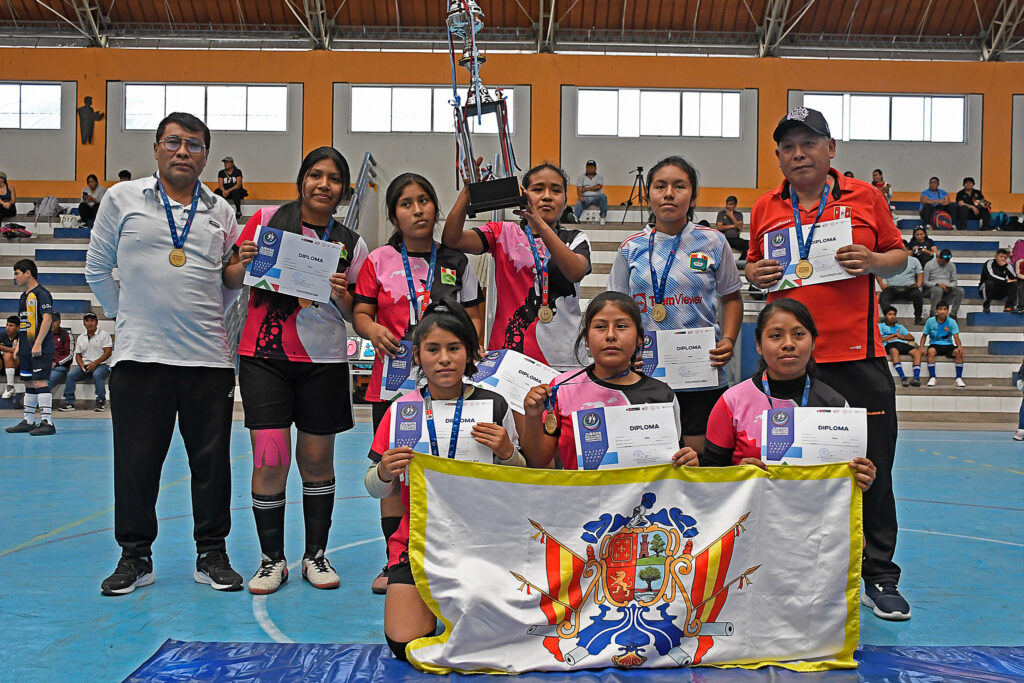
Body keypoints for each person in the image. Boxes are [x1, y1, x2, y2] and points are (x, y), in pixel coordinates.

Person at [745, 107, 910, 621]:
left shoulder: (866, 198)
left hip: (859, 358)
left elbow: (899, 256)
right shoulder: (765, 207)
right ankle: (784, 569)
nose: (799, 153)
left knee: (873, 472)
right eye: (789, 146)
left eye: (809, 143)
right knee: (785, 468)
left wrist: (874, 262)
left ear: (830, 148)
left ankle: (879, 576)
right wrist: (757, 271)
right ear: (778, 157)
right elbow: (754, 269)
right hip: (790, 367)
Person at [86, 112, 247, 596]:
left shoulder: (221, 211)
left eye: (194, 145)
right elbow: (97, 270)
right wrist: (130, 318)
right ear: (156, 148)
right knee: (136, 463)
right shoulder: (122, 199)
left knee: (212, 465)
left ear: (206, 156)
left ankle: (211, 553)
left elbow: (229, 285)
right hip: (139, 360)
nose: (183, 151)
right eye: (174, 142)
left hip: (208, 362)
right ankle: (135, 557)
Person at [233, 147, 368, 595]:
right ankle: (272, 560)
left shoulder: (352, 241)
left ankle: (315, 555)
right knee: (270, 458)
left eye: (333, 178)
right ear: (302, 179)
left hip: (323, 361)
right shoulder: (268, 219)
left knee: (316, 461)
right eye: (315, 175)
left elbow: (354, 313)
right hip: (265, 356)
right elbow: (232, 276)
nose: (323, 184)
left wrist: (341, 292)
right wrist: (243, 260)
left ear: (344, 190)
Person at [363, 299, 524, 662]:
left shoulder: (494, 405)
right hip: (420, 538)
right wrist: (385, 471)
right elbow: (373, 486)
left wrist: (508, 453)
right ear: (417, 356)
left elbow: (521, 476)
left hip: (485, 538)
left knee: (498, 642)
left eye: (454, 348)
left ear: (469, 353)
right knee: (404, 645)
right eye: (433, 349)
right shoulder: (402, 408)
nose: (445, 358)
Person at [354, 172, 484, 595]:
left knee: (452, 456)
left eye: (425, 200)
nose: (418, 209)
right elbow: (361, 312)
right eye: (407, 203)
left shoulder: (456, 261)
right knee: (395, 469)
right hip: (394, 384)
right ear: (395, 213)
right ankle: (395, 560)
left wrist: (469, 348)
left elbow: (475, 316)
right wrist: (372, 330)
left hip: (447, 377)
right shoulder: (378, 260)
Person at [608, 156, 742, 455]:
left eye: (679, 186)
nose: (669, 193)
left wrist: (729, 340)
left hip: (702, 375)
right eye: (660, 186)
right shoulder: (631, 247)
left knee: (698, 464)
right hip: (644, 373)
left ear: (693, 196)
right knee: (649, 458)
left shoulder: (714, 242)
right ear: (648, 194)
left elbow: (731, 297)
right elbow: (616, 308)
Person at [701, 299, 877, 489]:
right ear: (759, 344)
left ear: (813, 342)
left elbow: (846, 480)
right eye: (776, 335)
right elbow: (709, 472)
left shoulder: (835, 405)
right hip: (749, 516)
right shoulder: (732, 401)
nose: (788, 344)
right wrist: (736, 475)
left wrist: (862, 478)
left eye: (799, 334)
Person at [520, 291, 700, 470]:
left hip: (643, 499)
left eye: (621, 326)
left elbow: (675, 462)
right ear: (586, 339)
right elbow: (538, 462)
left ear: (639, 338)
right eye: (600, 327)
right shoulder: (561, 388)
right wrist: (533, 418)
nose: (611, 335)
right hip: (578, 497)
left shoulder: (663, 394)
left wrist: (687, 462)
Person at [443, 162, 591, 371]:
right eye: (538, 189)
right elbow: (452, 239)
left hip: (564, 359)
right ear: (523, 194)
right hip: (509, 356)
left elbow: (575, 272)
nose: (547, 196)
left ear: (565, 199)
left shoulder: (575, 238)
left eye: (556, 190)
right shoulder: (502, 233)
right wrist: (468, 192)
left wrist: (538, 222)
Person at [5, 259, 55, 436]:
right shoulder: (23, 296)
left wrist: (38, 342)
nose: (15, 277)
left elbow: (47, 319)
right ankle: (28, 420)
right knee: (28, 382)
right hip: (26, 347)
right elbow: (24, 324)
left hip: (40, 347)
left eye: (17, 273)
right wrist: (19, 343)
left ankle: (48, 422)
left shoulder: (41, 293)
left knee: (40, 381)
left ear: (28, 273)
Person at [57, 312, 113, 412]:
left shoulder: (104, 335)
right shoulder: (81, 337)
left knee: (97, 374)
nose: (89, 323)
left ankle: (101, 401)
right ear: (84, 323)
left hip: (102, 366)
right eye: (87, 321)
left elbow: (108, 352)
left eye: (92, 321)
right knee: (70, 375)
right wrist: (81, 365)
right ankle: (69, 402)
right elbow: (78, 355)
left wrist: (95, 363)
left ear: (96, 322)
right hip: (86, 366)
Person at [920, 302, 966, 388]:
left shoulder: (952, 322)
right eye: (940, 309)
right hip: (935, 344)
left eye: (944, 309)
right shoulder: (930, 321)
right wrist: (921, 347)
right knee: (931, 351)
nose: (942, 311)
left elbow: (956, 337)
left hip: (948, 345)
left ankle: (958, 378)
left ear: (947, 311)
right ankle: (932, 377)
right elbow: (924, 336)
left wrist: (960, 346)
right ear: (937, 311)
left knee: (959, 352)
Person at [877, 244, 924, 324]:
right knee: (883, 296)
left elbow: (920, 272)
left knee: (918, 295)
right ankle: (888, 318)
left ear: (907, 249)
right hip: (892, 288)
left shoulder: (914, 260)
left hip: (909, 288)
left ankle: (918, 318)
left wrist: (918, 284)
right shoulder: (888, 259)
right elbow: (878, 271)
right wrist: (882, 284)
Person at [879, 306, 922, 387]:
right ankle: (903, 377)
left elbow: (911, 338)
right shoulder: (881, 326)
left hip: (901, 344)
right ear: (885, 316)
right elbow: (879, 339)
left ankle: (916, 378)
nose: (892, 316)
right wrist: (894, 335)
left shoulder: (900, 327)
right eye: (890, 314)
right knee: (894, 351)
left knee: (918, 351)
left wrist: (902, 337)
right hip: (889, 344)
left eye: (894, 314)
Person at [923, 249, 964, 318]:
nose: (944, 263)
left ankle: (953, 314)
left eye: (946, 262)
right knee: (937, 290)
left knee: (960, 291)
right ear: (939, 258)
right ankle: (934, 313)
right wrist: (937, 284)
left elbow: (954, 281)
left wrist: (949, 286)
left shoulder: (951, 265)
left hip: (947, 288)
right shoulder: (929, 264)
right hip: (932, 289)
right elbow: (925, 282)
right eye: (943, 261)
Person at [979, 248, 1021, 313]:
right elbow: (991, 276)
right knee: (989, 283)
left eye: (1005, 257)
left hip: (1000, 291)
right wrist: (1005, 280)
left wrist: (1005, 266)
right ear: (996, 256)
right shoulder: (989, 263)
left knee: (1014, 284)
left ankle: (1008, 307)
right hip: (987, 289)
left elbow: (1014, 278)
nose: (1003, 259)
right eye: (1001, 256)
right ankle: (986, 306)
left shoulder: (1007, 265)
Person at [46, 312, 74, 395]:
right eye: (49, 321)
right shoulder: (43, 335)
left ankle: (36, 404)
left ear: (59, 321)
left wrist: (55, 363)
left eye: (54, 321)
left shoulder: (66, 335)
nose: (52, 323)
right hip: (44, 366)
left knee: (45, 383)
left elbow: (70, 355)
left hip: (60, 367)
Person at [573, 160, 607, 224]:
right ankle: (575, 218)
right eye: (588, 167)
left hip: (597, 197)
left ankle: (602, 217)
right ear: (586, 168)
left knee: (603, 196)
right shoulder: (581, 177)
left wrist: (585, 189)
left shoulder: (599, 177)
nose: (590, 169)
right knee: (579, 200)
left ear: (595, 169)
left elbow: (599, 186)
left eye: (592, 167)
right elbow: (579, 188)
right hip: (585, 198)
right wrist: (580, 196)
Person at [215, 156, 248, 220]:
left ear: (232, 163)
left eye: (227, 162)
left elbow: (238, 185)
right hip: (226, 192)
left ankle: (238, 211)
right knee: (217, 192)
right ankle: (217, 212)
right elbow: (220, 184)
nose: (225, 164)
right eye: (224, 162)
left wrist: (228, 191)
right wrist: (224, 191)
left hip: (235, 191)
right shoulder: (221, 172)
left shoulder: (237, 171)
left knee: (235, 191)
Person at [1, 315, 20, 398]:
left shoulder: (21, 337)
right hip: (3, 365)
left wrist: (2, 347)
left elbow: (15, 350)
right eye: (7, 325)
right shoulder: (2, 336)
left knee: (8, 355)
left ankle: (10, 387)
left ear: (18, 328)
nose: (7, 328)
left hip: (16, 364)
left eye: (11, 326)